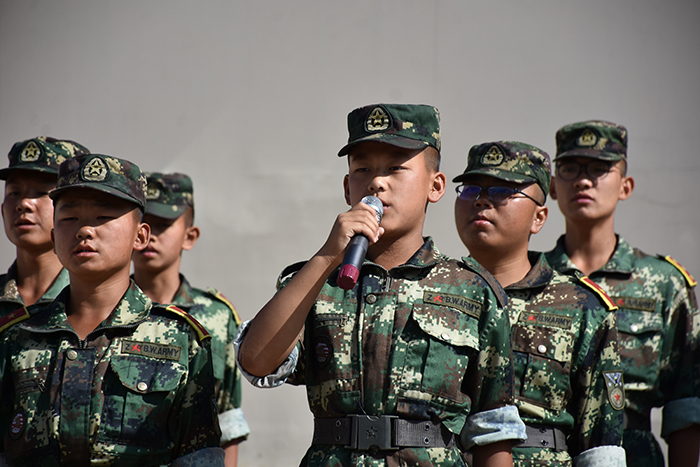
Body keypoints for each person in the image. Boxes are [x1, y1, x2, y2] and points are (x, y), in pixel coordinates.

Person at [236, 103, 526, 467]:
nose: (377, 182)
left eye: (395, 168)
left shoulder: (472, 290)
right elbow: (257, 362)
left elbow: (492, 433)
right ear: (348, 188)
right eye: (363, 169)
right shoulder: (315, 282)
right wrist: (327, 257)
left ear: (435, 186)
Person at [0, 154, 224, 466]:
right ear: (54, 237)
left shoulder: (181, 339)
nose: (84, 231)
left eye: (103, 217)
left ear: (140, 236)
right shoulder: (18, 336)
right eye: (69, 218)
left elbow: (198, 455)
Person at [453, 141, 626, 467]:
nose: (481, 200)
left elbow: (601, 444)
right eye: (471, 189)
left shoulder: (581, 306)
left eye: (503, 191)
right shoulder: (432, 294)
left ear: (539, 217)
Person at [545, 120, 700, 467]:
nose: (583, 180)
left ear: (625, 186)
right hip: (549, 451)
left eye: (599, 169)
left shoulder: (664, 283)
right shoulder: (534, 277)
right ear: (553, 187)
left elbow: (686, 405)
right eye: (569, 168)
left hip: (634, 453)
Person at [132, 172, 250, 466]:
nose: (150, 233)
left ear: (189, 236)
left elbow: (227, 420)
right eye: (143, 222)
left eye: (163, 225)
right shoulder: (104, 310)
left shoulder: (217, 317)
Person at [0, 136, 89, 317]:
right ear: (2, 210)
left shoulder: (92, 302)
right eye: (14, 192)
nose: (23, 203)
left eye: (41, 193)